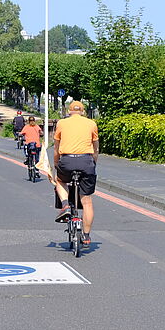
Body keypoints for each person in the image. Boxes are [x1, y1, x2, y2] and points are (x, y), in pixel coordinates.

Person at [53, 101, 98, 247]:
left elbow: (56, 148)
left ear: (69, 111)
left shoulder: (61, 123)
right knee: (87, 202)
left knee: (59, 180)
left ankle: (65, 205)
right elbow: (96, 149)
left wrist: (56, 164)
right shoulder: (91, 124)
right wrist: (93, 163)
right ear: (83, 111)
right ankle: (86, 236)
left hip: (67, 160)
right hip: (86, 161)